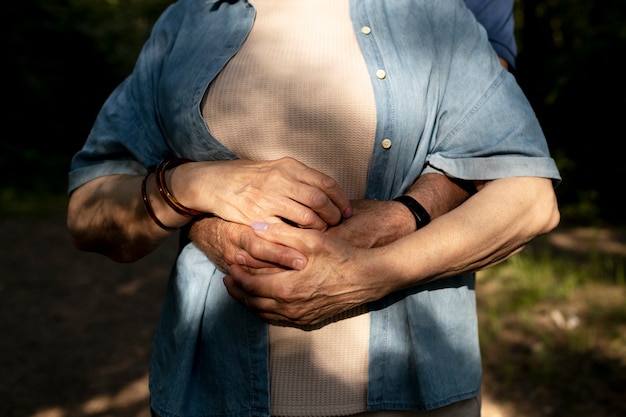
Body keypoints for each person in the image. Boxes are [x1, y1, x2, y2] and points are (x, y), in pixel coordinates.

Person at [66, 1, 561, 417]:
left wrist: (369, 274)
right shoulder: (188, 21)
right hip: (210, 393)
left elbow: (529, 199)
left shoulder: (430, 14)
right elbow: (88, 210)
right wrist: (189, 184)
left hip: (409, 395)